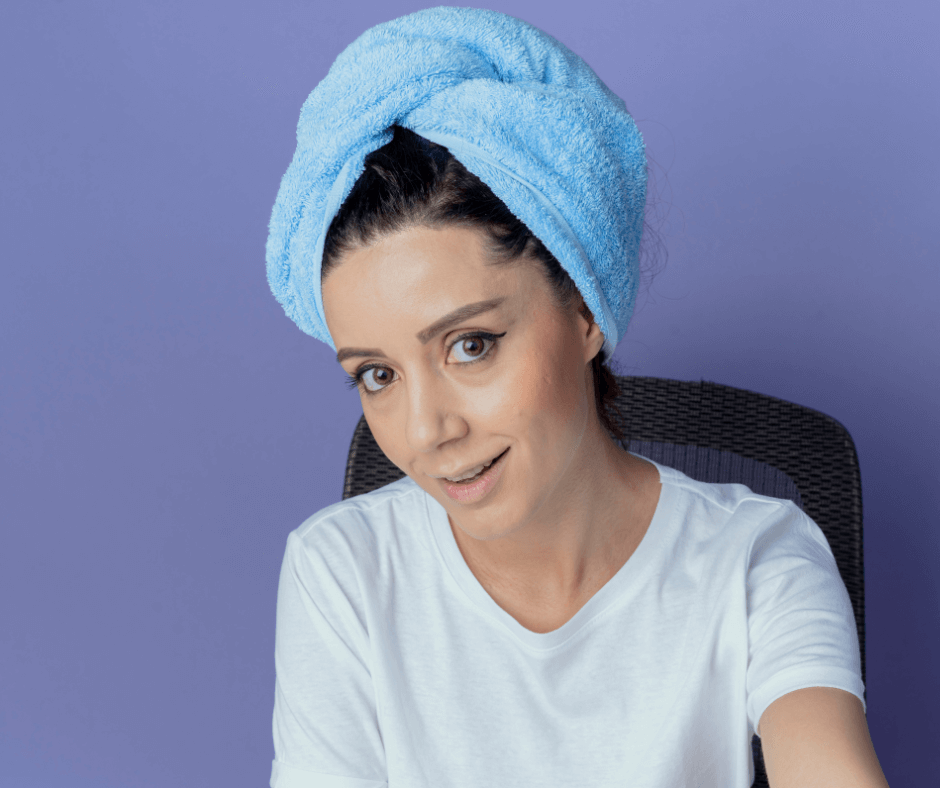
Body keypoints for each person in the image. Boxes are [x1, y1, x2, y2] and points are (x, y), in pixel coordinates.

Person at [265, 8, 887, 788]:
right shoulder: (342, 571)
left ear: (586, 310)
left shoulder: (754, 559)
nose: (427, 430)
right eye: (377, 375)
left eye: (471, 345)